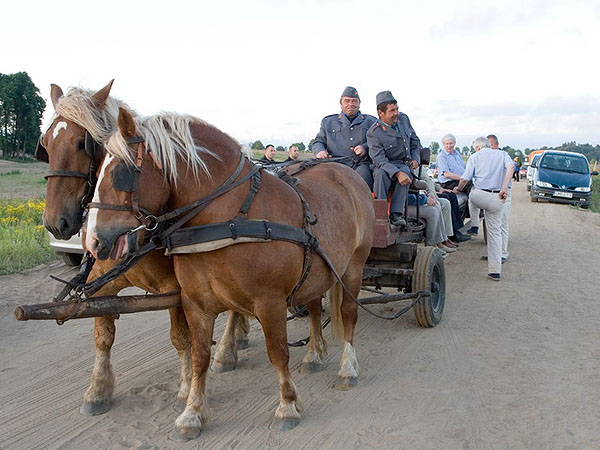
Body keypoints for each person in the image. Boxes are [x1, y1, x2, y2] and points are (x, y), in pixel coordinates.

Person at [454, 137, 514, 281]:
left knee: (471, 196)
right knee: (495, 234)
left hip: (480, 195)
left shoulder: (475, 157)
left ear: (478, 147)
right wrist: (504, 188)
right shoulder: (503, 154)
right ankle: (495, 271)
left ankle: (474, 225)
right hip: (498, 198)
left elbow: (465, 179)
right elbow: (511, 168)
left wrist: (458, 189)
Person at [367, 90, 421, 227]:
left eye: (396, 109)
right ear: (380, 113)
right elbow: (379, 160)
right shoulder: (373, 133)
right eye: (392, 111)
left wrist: (416, 159)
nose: (396, 113)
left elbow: (415, 142)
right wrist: (397, 173)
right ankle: (380, 214)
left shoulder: (404, 119)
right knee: (380, 175)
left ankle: (396, 215)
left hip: (402, 163)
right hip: (383, 165)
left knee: (406, 173)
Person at [312, 86, 377, 189]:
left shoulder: (371, 122)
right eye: (347, 101)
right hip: (335, 164)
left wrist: (365, 147)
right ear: (341, 104)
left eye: (354, 101)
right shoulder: (328, 122)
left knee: (362, 181)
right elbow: (318, 141)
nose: (350, 104)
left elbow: (378, 143)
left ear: (359, 104)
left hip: (361, 165)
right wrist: (320, 151)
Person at [487, 134, 512, 262]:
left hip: (503, 193)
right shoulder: (486, 158)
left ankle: (502, 253)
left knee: (501, 223)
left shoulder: (503, 155)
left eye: (489, 145)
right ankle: (494, 253)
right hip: (490, 194)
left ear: (496, 145)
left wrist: (505, 187)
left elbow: (511, 167)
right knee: (491, 225)